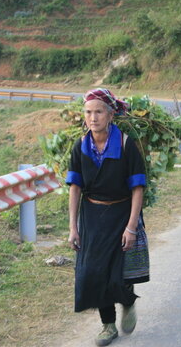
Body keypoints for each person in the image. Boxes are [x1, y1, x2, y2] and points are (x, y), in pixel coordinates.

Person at [66, 88, 150, 346]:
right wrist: (73, 226)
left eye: (99, 112)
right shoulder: (80, 147)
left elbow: (137, 188)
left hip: (122, 213)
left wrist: (132, 226)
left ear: (111, 115)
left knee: (119, 271)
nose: (94, 117)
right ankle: (108, 326)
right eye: (89, 112)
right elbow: (75, 187)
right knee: (93, 271)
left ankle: (127, 300)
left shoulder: (126, 145)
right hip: (91, 215)